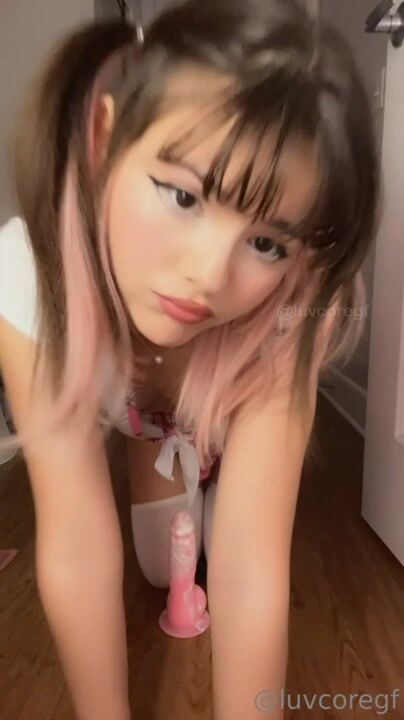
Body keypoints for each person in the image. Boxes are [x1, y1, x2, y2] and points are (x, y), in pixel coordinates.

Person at [0, 1, 379, 719]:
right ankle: (182, 466)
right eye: (182, 195)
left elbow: (251, 568)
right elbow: (75, 541)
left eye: (266, 243)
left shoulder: (291, 310)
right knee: (157, 566)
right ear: (104, 137)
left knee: (224, 532)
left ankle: (212, 461)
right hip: (154, 428)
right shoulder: (28, 278)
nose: (208, 276)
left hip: (222, 416)